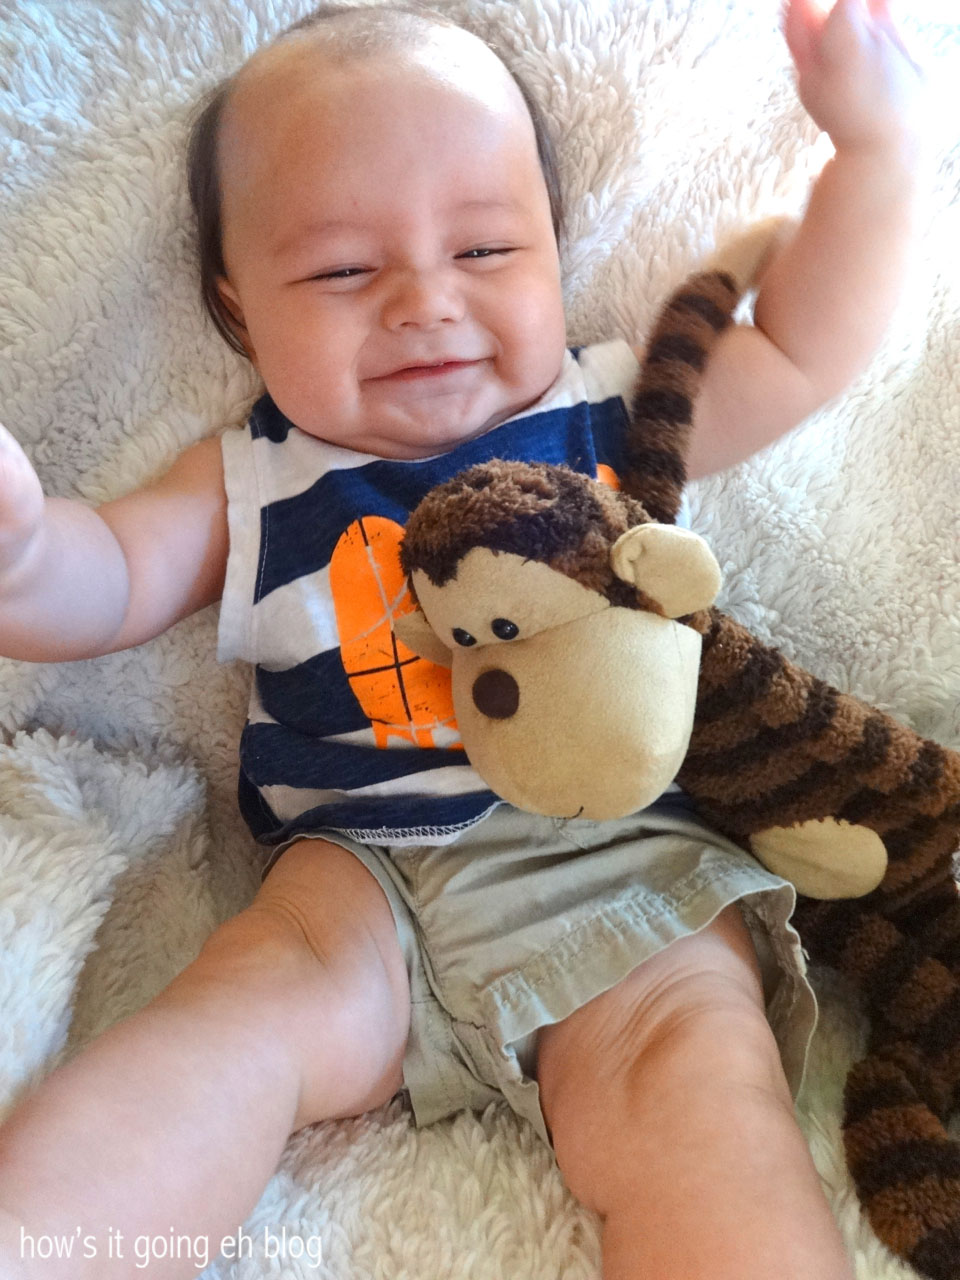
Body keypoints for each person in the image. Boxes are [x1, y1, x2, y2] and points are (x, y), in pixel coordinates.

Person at [0, 1, 928, 1276]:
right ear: (239, 306)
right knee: (227, 1025)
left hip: (622, 867)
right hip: (353, 887)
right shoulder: (252, 480)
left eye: (486, 248)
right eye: (342, 271)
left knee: (702, 1092)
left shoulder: (606, 418)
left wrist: (876, 154)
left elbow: (799, 351)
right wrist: (24, 552)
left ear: (552, 248)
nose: (426, 303)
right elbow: (103, 580)